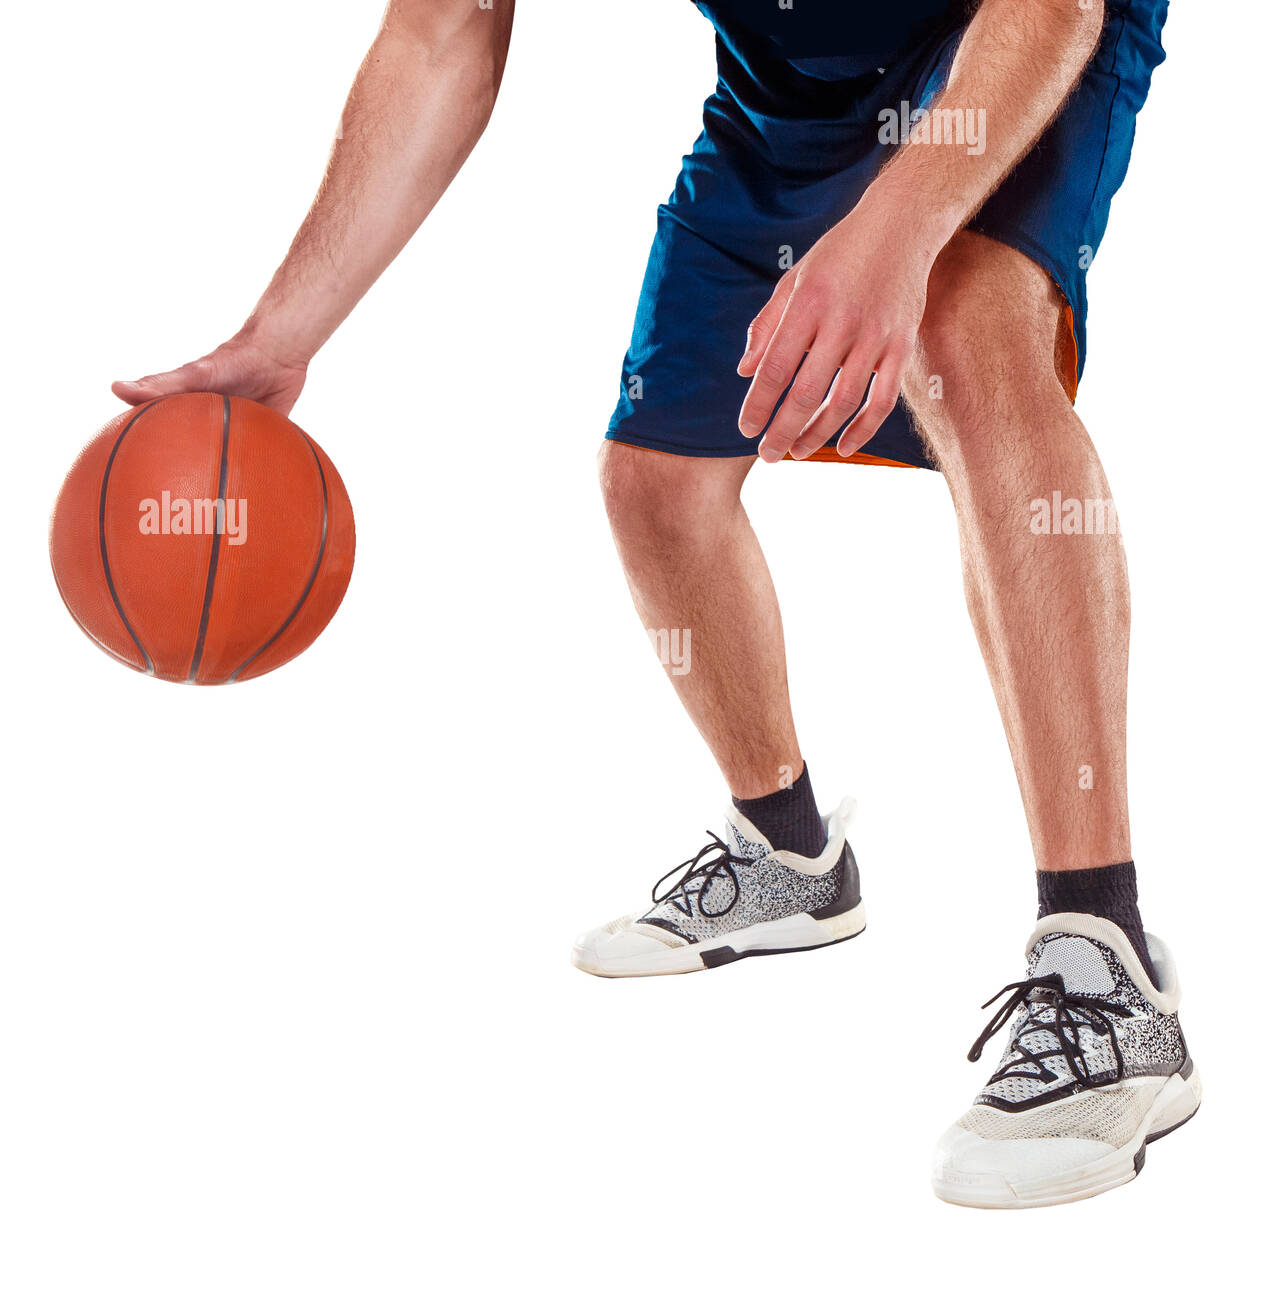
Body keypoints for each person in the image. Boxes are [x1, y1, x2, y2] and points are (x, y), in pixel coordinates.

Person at [115, 0, 1197, 1208]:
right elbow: (441, 33)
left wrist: (893, 235)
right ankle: (791, 854)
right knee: (653, 483)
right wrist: (283, 334)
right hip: (792, 68)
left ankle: (1105, 971)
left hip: (1009, 23)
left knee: (957, 326)